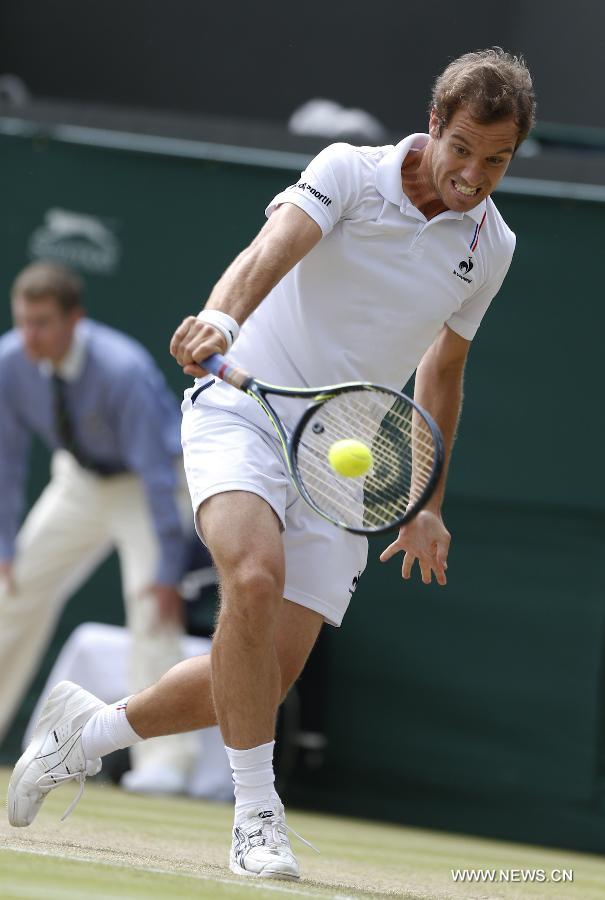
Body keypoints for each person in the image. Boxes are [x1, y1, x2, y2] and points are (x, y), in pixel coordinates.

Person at [7, 49, 535, 881]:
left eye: (496, 160)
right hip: (242, 408)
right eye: (462, 148)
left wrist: (428, 502)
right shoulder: (349, 174)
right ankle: (258, 818)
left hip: (343, 462)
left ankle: (90, 733)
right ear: (433, 124)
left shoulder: (491, 247)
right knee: (250, 581)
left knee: (264, 673)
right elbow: (270, 250)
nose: (473, 175)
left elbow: (441, 372)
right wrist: (220, 320)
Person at [0, 260, 197, 791]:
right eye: (23, 321)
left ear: (74, 320)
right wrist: (4, 543)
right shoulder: (10, 362)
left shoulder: (122, 370)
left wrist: (167, 569)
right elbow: (7, 460)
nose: (30, 335)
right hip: (78, 483)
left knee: (150, 606)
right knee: (10, 592)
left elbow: (157, 476)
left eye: (42, 322)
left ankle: (164, 765)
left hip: (147, 485)